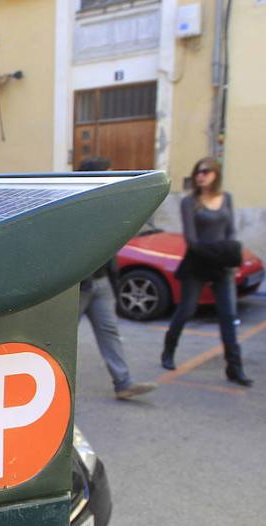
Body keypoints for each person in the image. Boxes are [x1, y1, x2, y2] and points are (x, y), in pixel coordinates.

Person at [160, 158, 252, 386]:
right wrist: (224, 252)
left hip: (222, 266)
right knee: (187, 309)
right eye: (197, 172)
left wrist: (230, 255)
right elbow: (192, 240)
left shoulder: (226, 198)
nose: (201, 176)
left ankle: (235, 367)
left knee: (228, 315)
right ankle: (168, 351)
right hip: (198, 263)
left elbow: (231, 232)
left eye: (206, 172)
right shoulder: (189, 202)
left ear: (215, 174)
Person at [76, 156, 158, 400]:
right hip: (78, 287)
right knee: (60, 339)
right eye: (108, 173)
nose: (113, 178)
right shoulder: (76, 207)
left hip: (102, 283)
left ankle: (123, 383)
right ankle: (42, 385)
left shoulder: (108, 204)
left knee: (109, 331)